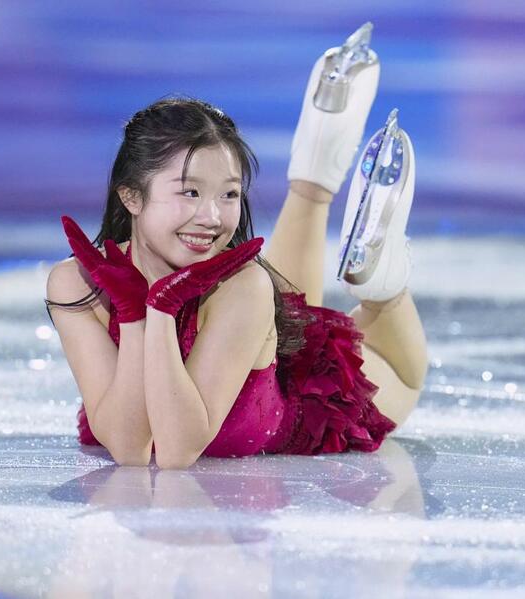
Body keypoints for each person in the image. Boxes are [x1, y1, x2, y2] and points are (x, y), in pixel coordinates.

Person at [44, 23, 428, 469]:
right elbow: (131, 449)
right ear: (130, 196)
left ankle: (385, 283)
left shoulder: (244, 286)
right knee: (287, 301)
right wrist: (134, 317)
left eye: (228, 194)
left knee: (403, 378)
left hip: (307, 399)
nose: (212, 217)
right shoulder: (76, 284)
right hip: (261, 330)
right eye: (190, 192)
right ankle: (316, 168)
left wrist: (161, 311)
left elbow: (177, 451)